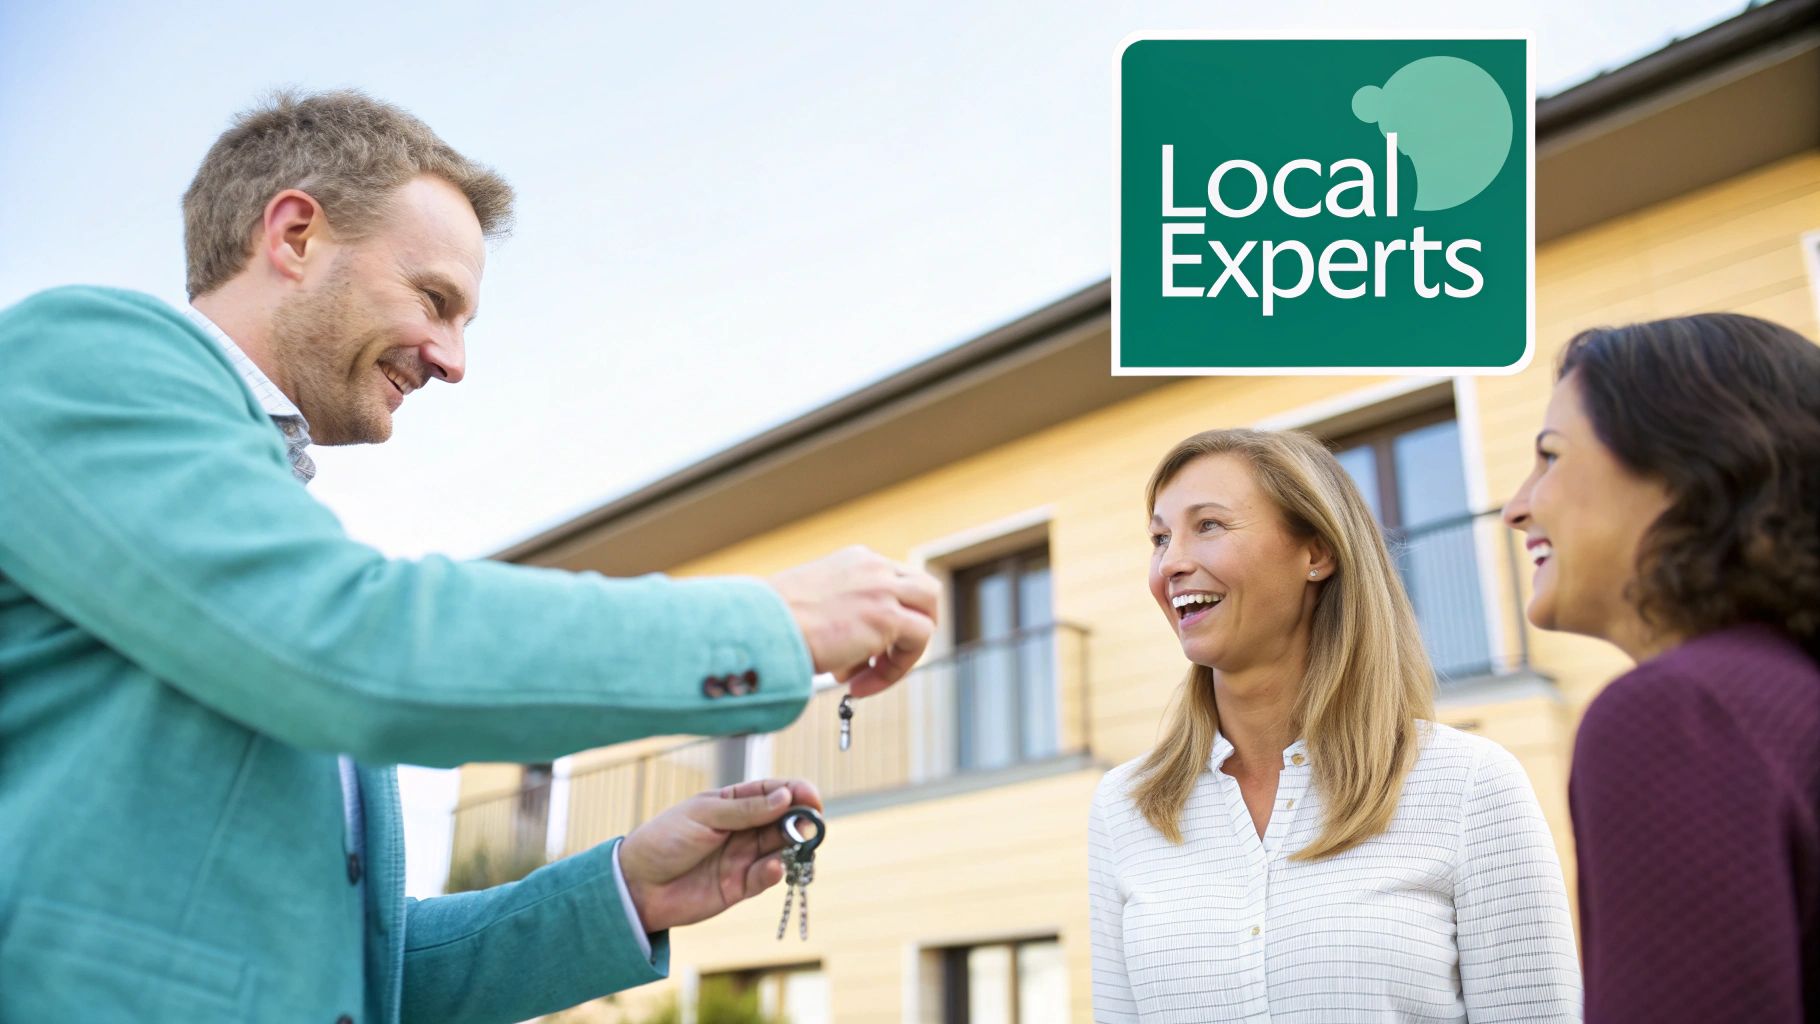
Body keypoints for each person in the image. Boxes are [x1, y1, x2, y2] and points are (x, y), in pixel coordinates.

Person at [0, 89, 939, 1023]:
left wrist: (623, 891)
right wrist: (770, 624)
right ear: (293, 235)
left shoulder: (256, 524)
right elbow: (355, 644)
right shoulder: (83, 354)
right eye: (435, 300)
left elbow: (356, 975)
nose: (453, 360)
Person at [1090, 428, 1581, 1023]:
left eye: (1209, 525)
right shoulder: (1124, 807)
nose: (1172, 563)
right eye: (1160, 538)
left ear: (1316, 553)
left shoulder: (1470, 784)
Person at [1502, 313, 1820, 1023]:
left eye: (1551, 457)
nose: (1517, 509)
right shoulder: (1789, 699)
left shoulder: (1680, 713)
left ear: (1690, 462)